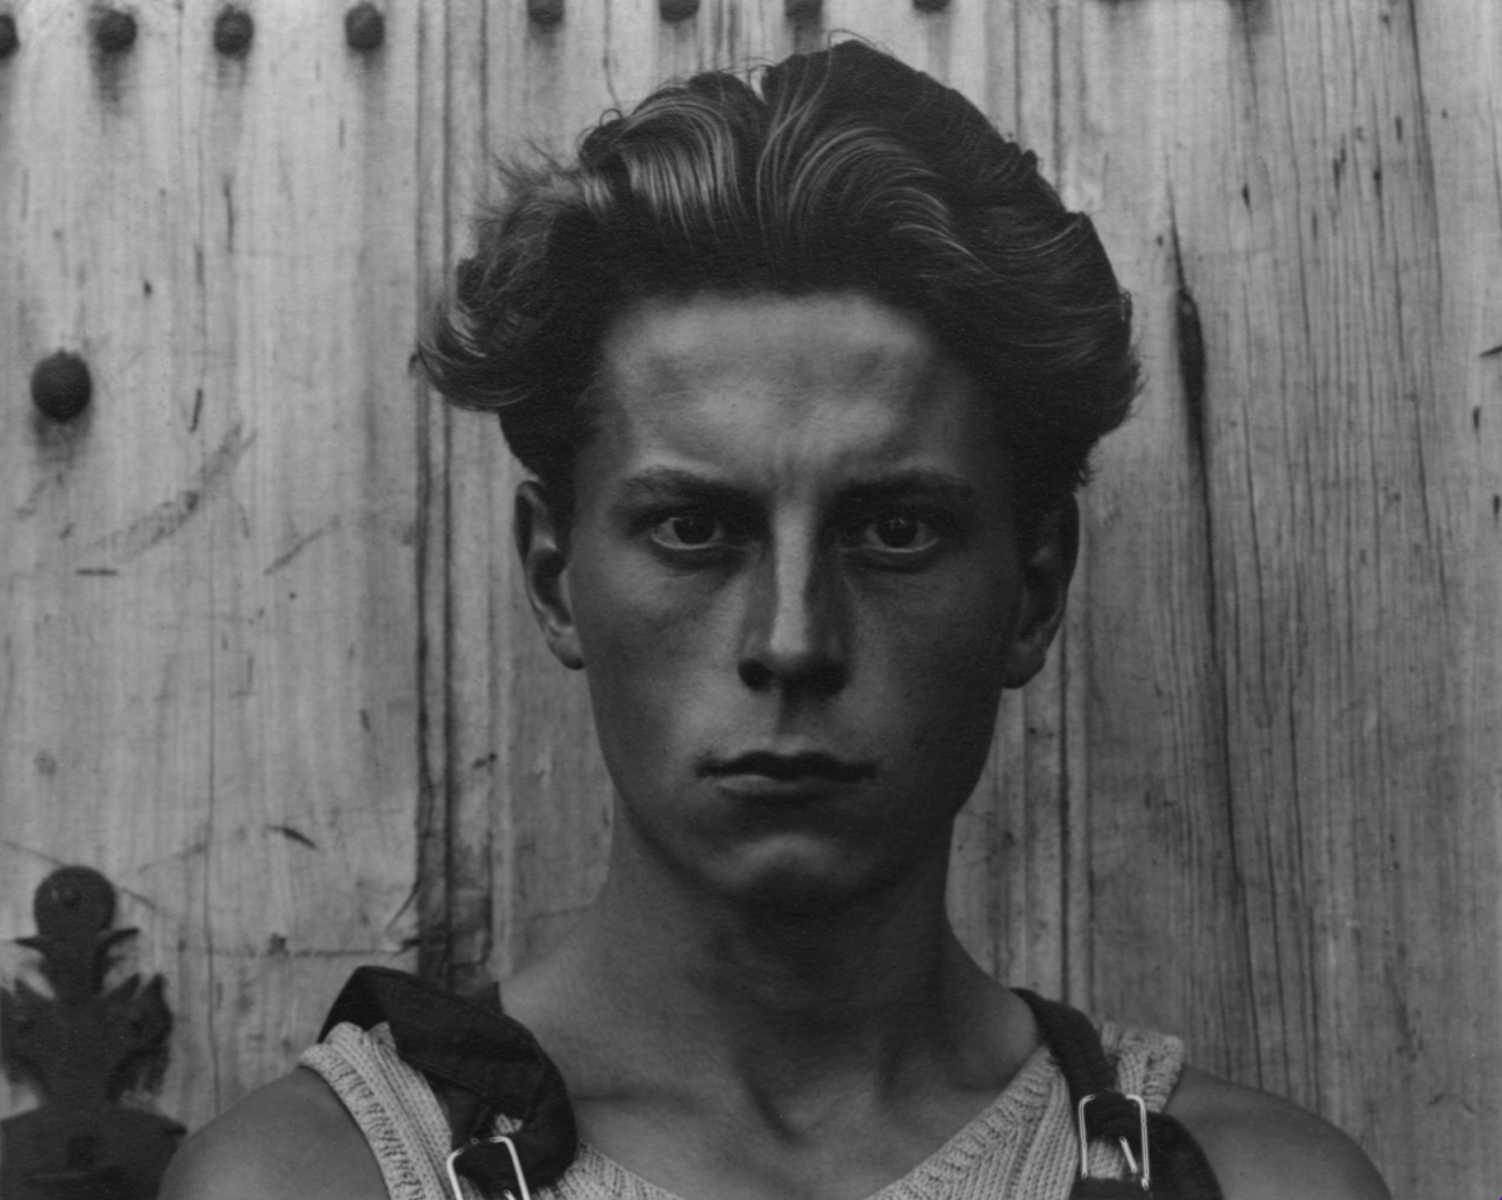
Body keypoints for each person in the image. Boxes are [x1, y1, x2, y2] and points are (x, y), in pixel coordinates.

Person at [162, 40, 1390, 1200]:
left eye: (893, 531)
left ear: (1033, 590)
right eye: (695, 530)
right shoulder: (318, 1178)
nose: (792, 640)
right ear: (551, 576)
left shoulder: (1254, 1183)